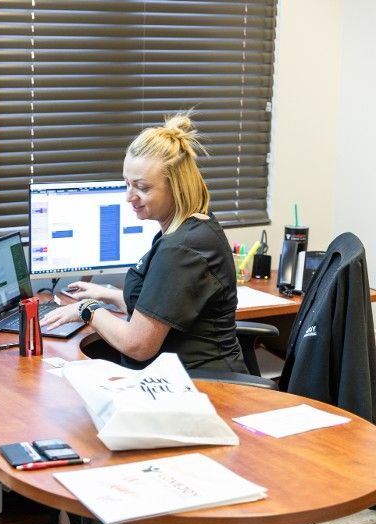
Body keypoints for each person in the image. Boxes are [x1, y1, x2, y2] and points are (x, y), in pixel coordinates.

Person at [41, 113, 246, 372]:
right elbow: (165, 306)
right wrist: (111, 296)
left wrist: (88, 310)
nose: (129, 196)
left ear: (176, 187)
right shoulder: (193, 227)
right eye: (127, 183)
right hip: (179, 376)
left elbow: (138, 345)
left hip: (198, 386)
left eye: (142, 187)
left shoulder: (181, 250)